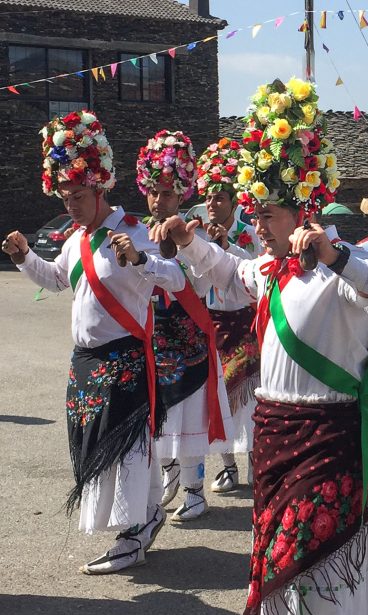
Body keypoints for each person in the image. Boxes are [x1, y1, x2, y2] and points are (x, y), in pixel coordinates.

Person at [150, 76, 368, 615]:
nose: (256, 224)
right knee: (293, 572)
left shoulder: (339, 273)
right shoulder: (270, 269)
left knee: (305, 575)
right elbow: (231, 271)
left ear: (300, 209)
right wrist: (188, 241)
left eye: (265, 212)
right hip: (275, 441)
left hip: (330, 443)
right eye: (256, 211)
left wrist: (337, 255)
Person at [1, 109, 185, 574]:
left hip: (124, 356)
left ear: (100, 188)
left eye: (78, 196)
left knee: (123, 447)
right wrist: (24, 258)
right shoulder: (76, 238)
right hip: (85, 361)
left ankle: (134, 531)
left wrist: (141, 259)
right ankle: (144, 519)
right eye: (65, 197)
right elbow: (58, 280)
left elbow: (177, 279)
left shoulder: (134, 231)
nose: (71, 205)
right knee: (95, 445)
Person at [135, 130, 232, 521]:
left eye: (168, 194)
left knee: (189, 416)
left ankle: (194, 491)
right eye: (154, 193)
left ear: (182, 194)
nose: (160, 201)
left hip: (188, 336)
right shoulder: (133, 231)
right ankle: (168, 471)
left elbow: (202, 283)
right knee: (156, 416)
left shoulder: (197, 235)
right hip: (150, 338)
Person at [194, 138, 264, 494]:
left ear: (234, 202)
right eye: (208, 198)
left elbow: (253, 268)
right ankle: (228, 467)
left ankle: (255, 461)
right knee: (217, 399)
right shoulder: (198, 234)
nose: (212, 204)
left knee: (247, 399)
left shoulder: (250, 233)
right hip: (213, 324)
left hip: (243, 324)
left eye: (219, 198)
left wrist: (226, 246)